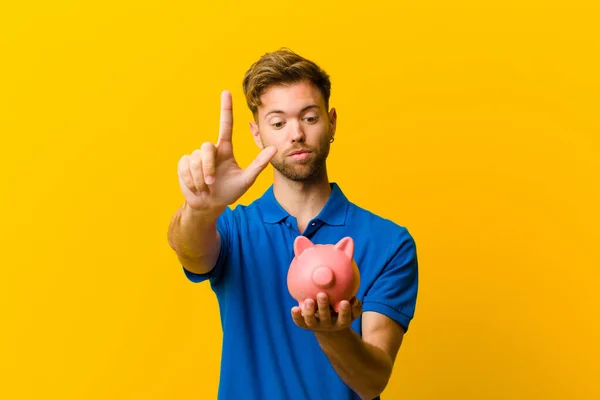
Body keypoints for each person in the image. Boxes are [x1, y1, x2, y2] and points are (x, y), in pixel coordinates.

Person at [167, 48, 419, 400]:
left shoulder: (390, 242)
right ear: (258, 135)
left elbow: (372, 381)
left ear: (332, 122)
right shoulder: (233, 229)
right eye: (278, 123)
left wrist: (332, 332)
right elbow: (190, 251)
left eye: (310, 118)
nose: (296, 134)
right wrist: (202, 208)